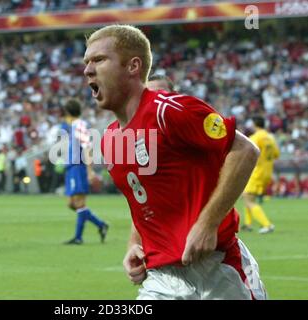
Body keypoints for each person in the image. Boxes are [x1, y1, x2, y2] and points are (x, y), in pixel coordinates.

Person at [84, 24, 267, 299]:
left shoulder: (168, 111)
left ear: (133, 66)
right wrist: (134, 243)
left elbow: (245, 151)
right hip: (161, 279)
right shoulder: (110, 139)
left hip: (218, 270)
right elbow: (144, 199)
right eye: (86, 62)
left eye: (98, 60)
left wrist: (207, 224)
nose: (87, 70)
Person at [61, 98, 109, 245]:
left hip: (79, 168)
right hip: (72, 168)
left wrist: (89, 171)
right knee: (71, 204)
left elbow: (87, 148)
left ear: (67, 113)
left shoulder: (80, 125)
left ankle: (78, 237)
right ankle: (101, 225)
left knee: (79, 203)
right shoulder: (73, 127)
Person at [242, 116, 280, 234]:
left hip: (257, 172)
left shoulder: (255, 137)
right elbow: (276, 154)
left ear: (254, 125)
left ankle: (267, 225)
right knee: (247, 196)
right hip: (267, 172)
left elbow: (249, 154)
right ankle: (248, 224)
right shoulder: (270, 138)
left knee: (248, 198)